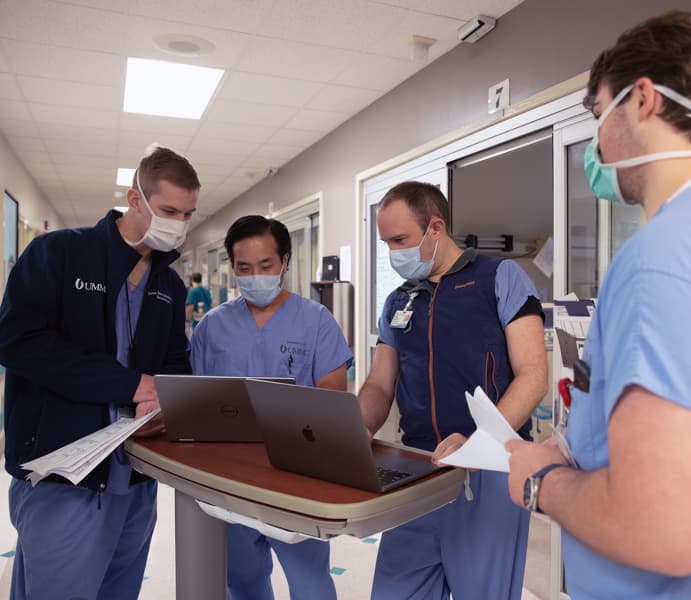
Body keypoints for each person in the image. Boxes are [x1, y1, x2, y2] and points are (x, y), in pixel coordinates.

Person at [506, 11, 691, 600]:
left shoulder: (672, 254)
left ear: (642, 100)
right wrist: (564, 446)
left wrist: (541, 482)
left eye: (597, 117)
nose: (595, 146)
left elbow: (666, 527)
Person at [0, 145, 200, 599]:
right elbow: (20, 342)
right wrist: (131, 385)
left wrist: (164, 397)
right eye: (169, 210)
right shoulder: (58, 254)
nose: (179, 223)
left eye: (187, 213)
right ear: (135, 200)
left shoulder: (167, 284)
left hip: (136, 477)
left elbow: (173, 359)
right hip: (63, 477)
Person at [358, 181, 548, 599]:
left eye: (400, 239)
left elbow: (533, 375)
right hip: (418, 471)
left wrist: (478, 444)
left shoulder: (500, 278)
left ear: (436, 227)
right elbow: (379, 383)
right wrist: (351, 431)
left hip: (492, 469)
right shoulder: (397, 301)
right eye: (386, 242)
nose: (393, 252)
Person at [190, 215, 352, 600]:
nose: (255, 276)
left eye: (265, 266)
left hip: (297, 479)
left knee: (310, 584)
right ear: (232, 268)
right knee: (243, 582)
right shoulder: (211, 327)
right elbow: (194, 402)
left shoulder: (316, 321)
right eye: (244, 268)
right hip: (231, 480)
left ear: (285, 262)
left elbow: (334, 401)